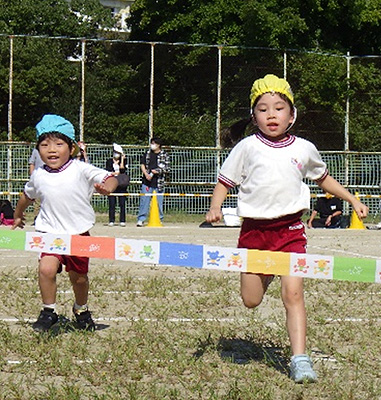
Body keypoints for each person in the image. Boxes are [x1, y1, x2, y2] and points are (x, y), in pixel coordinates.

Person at [205, 74, 368, 383]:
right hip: (254, 232)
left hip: (291, 231)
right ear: (254, 116)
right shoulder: (247, 147)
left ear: (291, 115)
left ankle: (299, 359)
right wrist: (215, 207)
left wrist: (351, 198)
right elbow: (225, 180)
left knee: (293, 294)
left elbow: (323, 179)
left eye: (279, 108)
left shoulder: (304, 148)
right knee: (251, 300)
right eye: (263, 109)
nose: (271, 115)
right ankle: (265, 274)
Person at [11, 114, 118, 333]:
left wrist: (109, 187)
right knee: (46, 269)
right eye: (45, 144)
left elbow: (111, 177)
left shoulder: (80, 169)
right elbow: (26, 195)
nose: (51, 150)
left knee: (79, 278)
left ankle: (81, 309)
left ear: (71, 148)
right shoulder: (39, 175)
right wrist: (18, 214)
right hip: (49, 233)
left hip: (78, 234)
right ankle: (49, 311)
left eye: (58, 144)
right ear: (38, 150)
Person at [137, 137, 170, 227]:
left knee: (159, 202)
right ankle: (141, 219)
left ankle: (159, 219)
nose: (152, 145)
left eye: (154, 143)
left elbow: (167, 168)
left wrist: (158, 171)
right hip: (147, 182)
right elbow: (142, 164)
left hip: (159, 183)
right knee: (144, 201)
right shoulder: (147, 153)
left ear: (158, 145)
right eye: (151, 143)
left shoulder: (164, 155)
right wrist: (146, 174)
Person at [105, 143, 128, 227]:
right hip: (112, 183)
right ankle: (111, 220)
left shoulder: (124, 161)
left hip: (121, 185)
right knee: (112, 202)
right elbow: (108, 172)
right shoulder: (109, 161)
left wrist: (122, 159)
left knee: (122, 203)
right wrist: (115, 173)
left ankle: (122, 220)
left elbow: (122, 170)